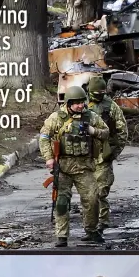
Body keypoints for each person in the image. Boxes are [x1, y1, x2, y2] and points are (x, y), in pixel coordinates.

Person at [39, 85, 109, 247]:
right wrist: (49, 158)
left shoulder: (91, 117)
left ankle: (91, 231)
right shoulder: (57, 118)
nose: (80, 105)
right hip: (63, 167)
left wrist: (93, 131)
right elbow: (44, 137)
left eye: (82, 102)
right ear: (69, 103)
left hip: (84, 167)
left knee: (92, 200)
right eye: (76, 103)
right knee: (61, 201)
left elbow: (105, 133)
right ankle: (62, 235)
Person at [86, 77, 128, 231]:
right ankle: (90, 221)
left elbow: (122, 131)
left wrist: (113, 152)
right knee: (88, 192)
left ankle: (102, 221)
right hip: (84, 154)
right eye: (95, 93)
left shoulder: (111, 106)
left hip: (102, 154)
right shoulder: (80, 104)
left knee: (101, 190)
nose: (98, 96)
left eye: (101, 93)